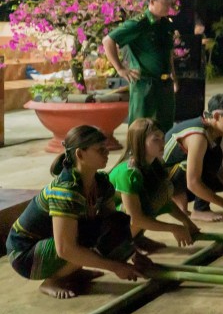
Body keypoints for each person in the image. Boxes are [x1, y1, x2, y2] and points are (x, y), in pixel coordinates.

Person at [6, 125, 145, 299]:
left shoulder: (101, 183)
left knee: (114, 222)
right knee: (82, 236)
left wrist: (133, 255)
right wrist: (115, 267)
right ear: (80, 154)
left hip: (54, 244)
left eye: (105, 148)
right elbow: (65, 249)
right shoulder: (65, 191)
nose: (107, 152)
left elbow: (112, 226)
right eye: (100, 149)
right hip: (25, 255)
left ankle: (71, 272)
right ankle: (51, 280)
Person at [109, 118, 198, 252]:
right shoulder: (128, 172)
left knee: (162, 190)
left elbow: (164, 200)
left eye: (163, 138)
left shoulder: (153, 164)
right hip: (106, 229)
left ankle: (136, 238)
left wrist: (187, 222)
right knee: (140, 206)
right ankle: (120, 247)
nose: (162, 144)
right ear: (139, 142)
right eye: (156, 140)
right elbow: (136, 218)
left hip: (122, 222)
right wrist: (173, 228)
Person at [163, 93, 223, 222]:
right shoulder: (198, 136)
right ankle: (200, 209)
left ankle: (187, 201)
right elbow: (193, 182)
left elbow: (221, 168)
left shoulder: (218, 131)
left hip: (182, 176)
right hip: (166, 181)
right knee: (210, 160)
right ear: (216, 116)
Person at [102, 0, 178, 132]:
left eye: (170, 3)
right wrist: (120, 69)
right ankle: (136, 155)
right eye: (165, 3)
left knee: (166, 127)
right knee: (141, 129)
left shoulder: (165, 24)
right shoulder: (139, 24)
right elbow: (108, 40)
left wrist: (173, 75)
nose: (169, 7)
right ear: (152, 1)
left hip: (164, 84)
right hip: (145, 84)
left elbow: (168, 51)